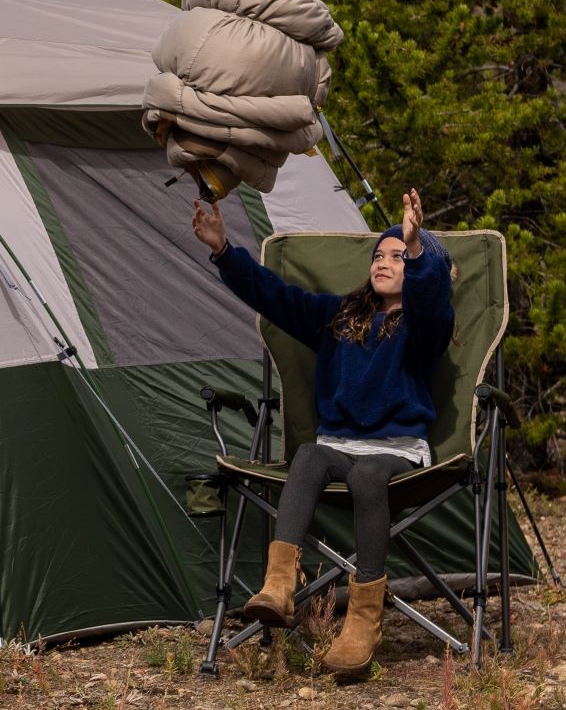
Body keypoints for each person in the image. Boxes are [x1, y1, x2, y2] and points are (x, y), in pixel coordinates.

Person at [193, 188, 453, 681]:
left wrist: (417, 247)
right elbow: (276, 296)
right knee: (310, 455)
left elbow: (437, 302)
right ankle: (279, 584)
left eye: (397, 257)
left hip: (396, 453)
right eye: (379, 255)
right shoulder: (340, 317)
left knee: (369, 475)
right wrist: (223, 250)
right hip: (339, 448)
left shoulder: (423, 328)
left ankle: (364, 618)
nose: (384, 262)